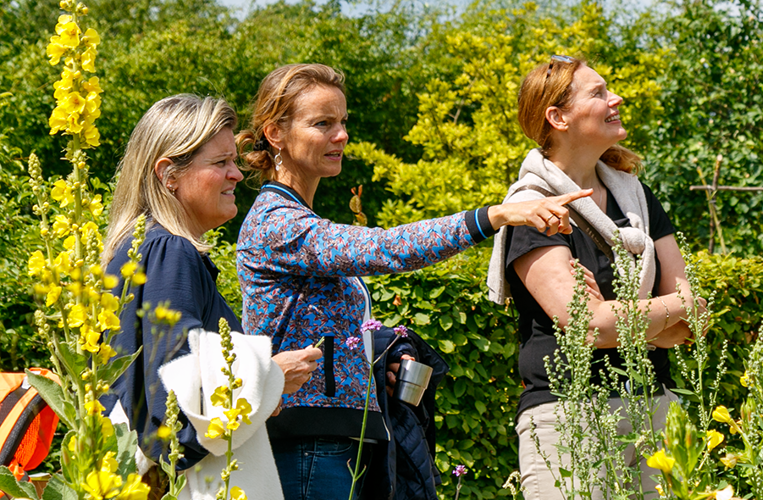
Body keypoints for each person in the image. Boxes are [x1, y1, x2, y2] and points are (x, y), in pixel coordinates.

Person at [234, 63, 590, 500]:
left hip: (334, 440)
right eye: (322, 123)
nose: (341, 135)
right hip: (306, 444)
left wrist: (376, 363)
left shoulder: (299, 218)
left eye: (343, 122)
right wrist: (493, 215)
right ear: (275, 134)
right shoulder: (276, 221)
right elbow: (384, 249)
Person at [486, 55, 704, 499]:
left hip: (655, 409)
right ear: (558, 117)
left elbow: (693, 318)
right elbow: (587, 326)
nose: (615, 98)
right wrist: (658, 319)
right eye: (599, 93)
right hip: (569, 418)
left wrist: (620, 319)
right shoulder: (533, 208)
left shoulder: (637, 198)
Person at [101, 94, 322, 499]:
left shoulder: (140, 252)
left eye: (234, 161)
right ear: (169, 174)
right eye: (220, 163)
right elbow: (173, 417)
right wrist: (270, 376)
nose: (237, 175)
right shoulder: (171, 253)